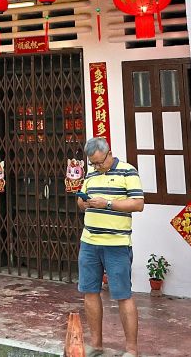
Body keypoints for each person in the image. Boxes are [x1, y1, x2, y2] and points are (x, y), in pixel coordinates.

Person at [76, 136, 145, 357]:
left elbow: (138, 203)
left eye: (99, 162)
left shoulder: (128, 171)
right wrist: (83, 202)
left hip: (117, 244)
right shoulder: (91, 174)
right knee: (89, 292)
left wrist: (107, 203)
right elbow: (81, 204)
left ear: (109, 153)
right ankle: (96, 344)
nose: (96, 166)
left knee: (123, 294)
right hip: (89, 242)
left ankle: (131, 350)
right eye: (92, 163)